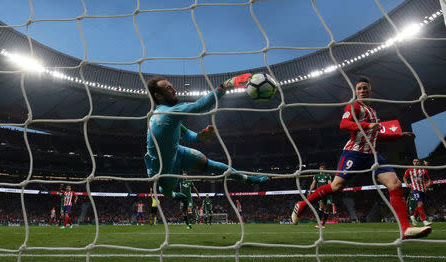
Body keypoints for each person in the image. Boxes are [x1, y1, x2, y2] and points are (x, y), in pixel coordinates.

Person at [291, 76, 432, 239]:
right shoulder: (354, 106)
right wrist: (367, 125)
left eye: (365, 88)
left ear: (370, 91)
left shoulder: (373, 111)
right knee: (336, 186)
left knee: (395, 183)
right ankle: (302, 204)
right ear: (356, 92)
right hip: (354, 152)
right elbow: (344, 124)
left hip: (372, 154)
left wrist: (397, 136)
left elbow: (374, 135)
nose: (363, 90)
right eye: (359, 88)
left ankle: (405, 229)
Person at [144, 74, 269, 206]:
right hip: (161, 168)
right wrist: (225, 86)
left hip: (176, 152)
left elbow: (187, 136)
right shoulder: (168, 114)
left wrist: (199, 137)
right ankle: (175, 196)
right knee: (166, 191)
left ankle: (246, 179)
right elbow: (200, 106)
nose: (174, 90)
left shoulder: (164, 115)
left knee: (206, 162)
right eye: (169, 88)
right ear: (158, 95)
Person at [403, 158, 432, 226]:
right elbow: (404, 177)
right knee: (420, 203)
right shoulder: (409, 170)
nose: (415, 163)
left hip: (422, 189)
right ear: (413, 163)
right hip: (415, 189)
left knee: (421, 205)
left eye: (417, 161)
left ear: (419, 163)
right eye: (414, 161)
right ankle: (424, 221)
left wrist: (428, 183)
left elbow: (429, 179)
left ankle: (413, 216)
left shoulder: (423, 170)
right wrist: (406, 183)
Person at [308, 163, 332, 228]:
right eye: (321, 167)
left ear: (325, 169)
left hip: (327, 193)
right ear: (319, 168)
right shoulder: (316, 176)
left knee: (326, 209)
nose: (322, 169)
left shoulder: (328, 175)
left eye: (323, 168)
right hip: (320, 194)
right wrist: (310, 191)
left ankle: (323, 224)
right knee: (321, 207)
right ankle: (319, 223)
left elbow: (329, 183)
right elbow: (313, 184)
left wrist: (331, 189)